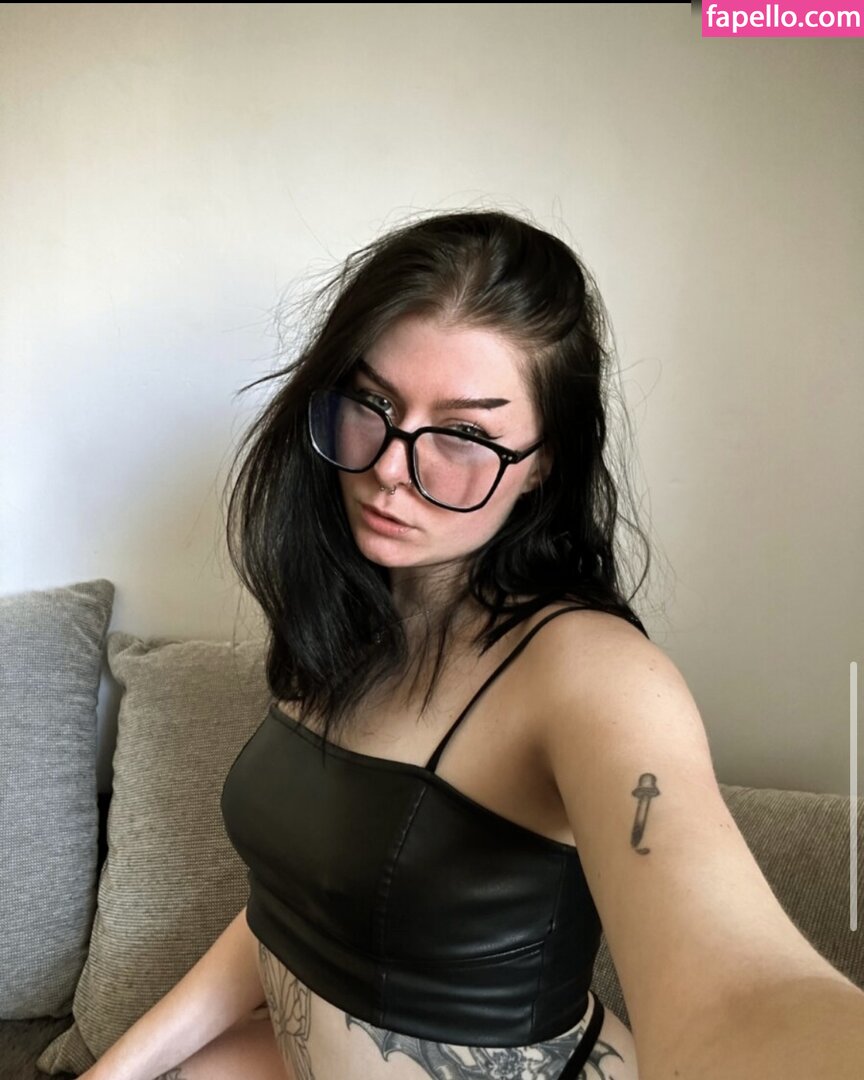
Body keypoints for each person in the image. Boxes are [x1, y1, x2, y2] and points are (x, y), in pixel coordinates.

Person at [80, 210, 864, 1080]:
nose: (388, 466)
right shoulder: (347, 618)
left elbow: (742, 994)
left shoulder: (591, 673)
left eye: (463, 435)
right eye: (374, 404)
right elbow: (290, 903)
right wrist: (114, 1069)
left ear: (544, 461)